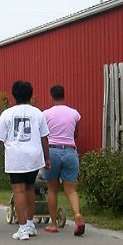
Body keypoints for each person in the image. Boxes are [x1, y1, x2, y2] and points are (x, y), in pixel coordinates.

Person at [0, 80, 50, 240]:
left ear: (13, 95)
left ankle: (22, 229)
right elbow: (44, 138)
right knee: (30, 189)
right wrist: (47, 158)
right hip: (34, 156)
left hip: (16, 157)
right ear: (31, 94)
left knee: (18, 190)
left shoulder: (7, 114)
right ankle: (30, 224)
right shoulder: (38, 113)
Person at [42, 85, 85, 236]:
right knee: (71, 189)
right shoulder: (74, 113)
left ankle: (53, 224)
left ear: (51, 96)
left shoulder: (45, 114)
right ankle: (77, 214)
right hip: (70, 151)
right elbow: (75, 135)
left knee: (52, 189)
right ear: (64, 96)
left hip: (52, 150)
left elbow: (43, 136)